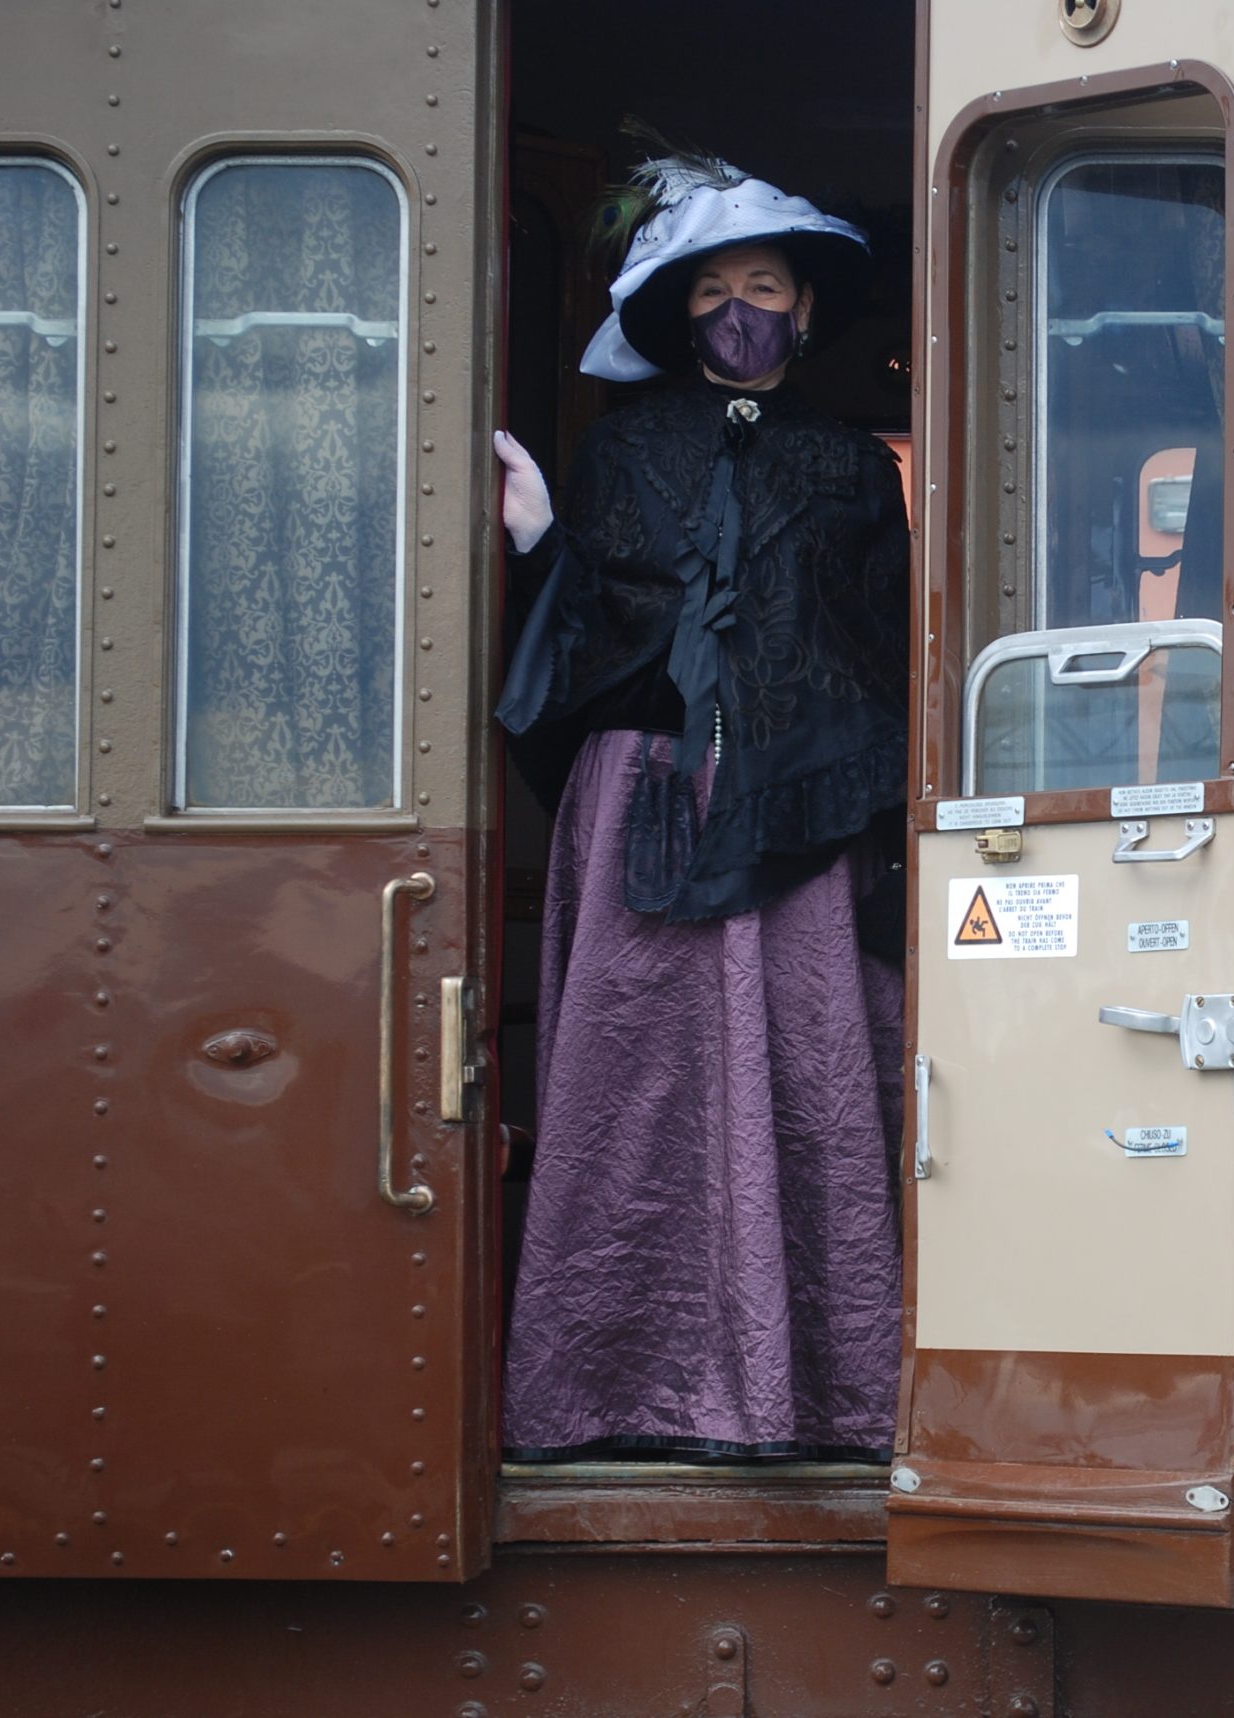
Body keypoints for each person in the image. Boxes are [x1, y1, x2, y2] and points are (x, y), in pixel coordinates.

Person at [490, 147, 910, 1460]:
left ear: (804, 307)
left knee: (812, 1082)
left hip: (806, 809)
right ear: (682, 313)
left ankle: (825, 1391)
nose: (741, 306)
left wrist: (853, 793)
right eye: (715, 287)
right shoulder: (622, 452)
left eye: (765, 284)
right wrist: (541, 539)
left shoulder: (851, 467)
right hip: (647, 806)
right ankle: (612, 1389)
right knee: (638, 1090)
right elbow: (594, 633)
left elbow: (882, 643)